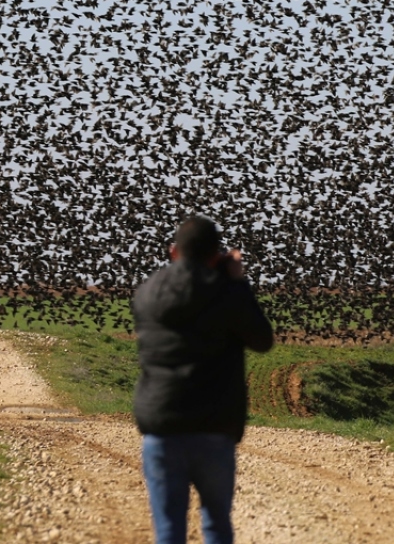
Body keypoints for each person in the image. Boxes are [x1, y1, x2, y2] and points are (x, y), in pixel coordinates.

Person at [131, 215, 275, 544]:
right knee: (216, 525)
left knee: (168, 530)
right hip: (213, 427)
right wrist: (237, 281)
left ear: (173, 252)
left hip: (162, 425)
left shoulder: (148, 291)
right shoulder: (226, 293)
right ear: (216, 255)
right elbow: (262, 340)